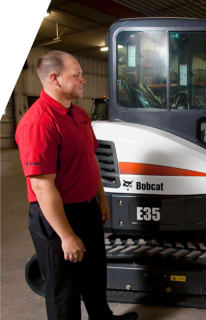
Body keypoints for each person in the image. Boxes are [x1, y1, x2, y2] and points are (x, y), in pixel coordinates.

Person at [15, 50, 138, 320]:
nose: (83, 80)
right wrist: (66, 236)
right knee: (64, 289)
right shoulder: (38, 123)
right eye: (77, 74)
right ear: (55, 79)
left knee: (94, 274)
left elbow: (90, 159)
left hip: (87, 209)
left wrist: (101, 198)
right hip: (56, 218)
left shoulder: (80, 115)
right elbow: (42, 188)